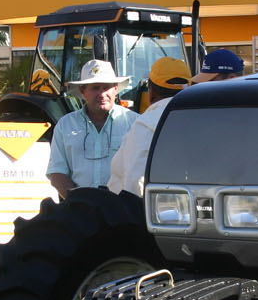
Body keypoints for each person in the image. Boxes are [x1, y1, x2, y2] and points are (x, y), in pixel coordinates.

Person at [47, 58, 137, 199]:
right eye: (95, 87)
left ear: (115, 89)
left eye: (106, 87)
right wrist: (79, 202)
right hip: (79, 211)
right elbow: (57, 173)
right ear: (83, 91)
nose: (102, 94)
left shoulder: (134, 124)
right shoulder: (65, 125)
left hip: (123, 211)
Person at [107, 56, 192, 197]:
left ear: (151, 91)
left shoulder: (145, 124)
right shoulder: (201, 119)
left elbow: (135, 182)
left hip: (154, 212)